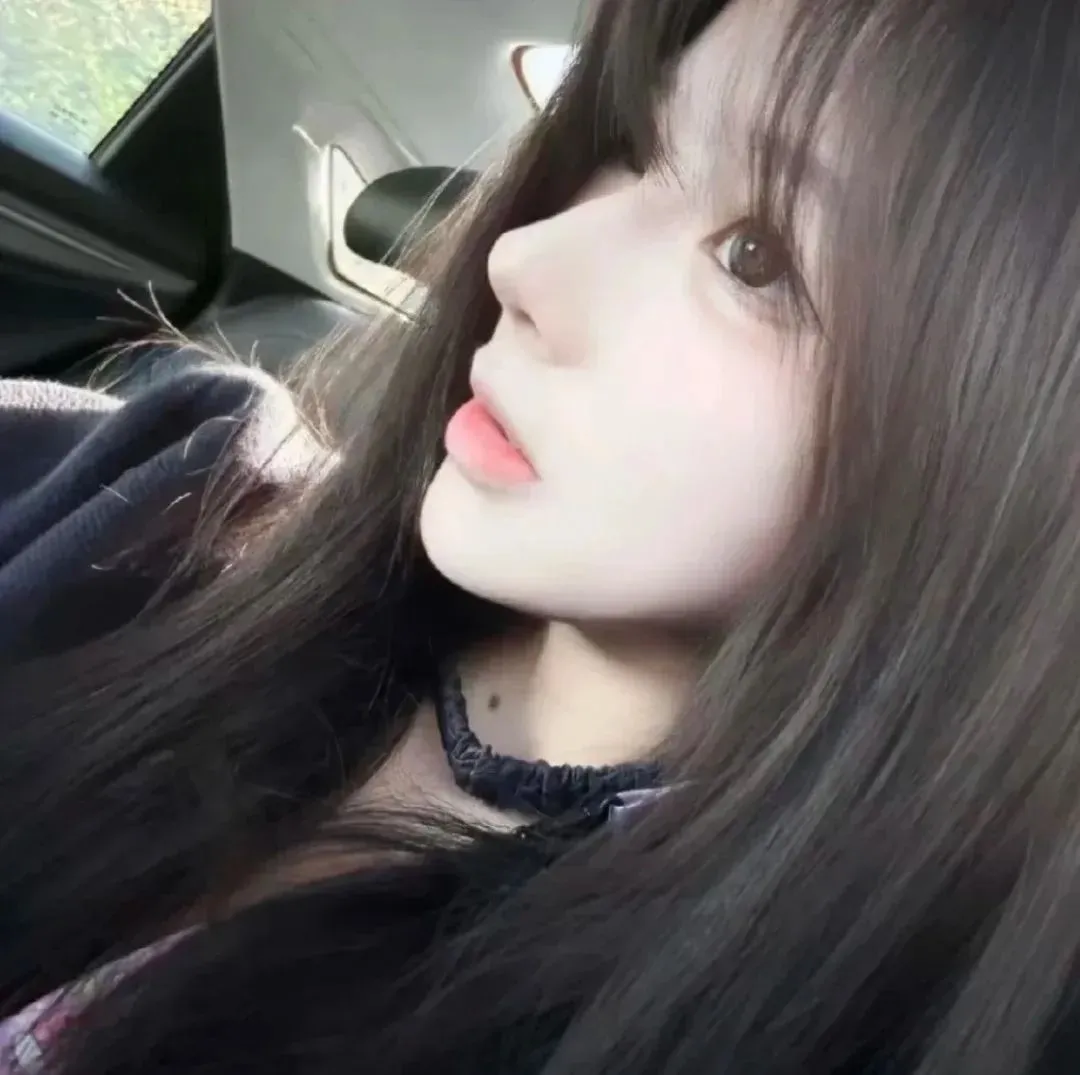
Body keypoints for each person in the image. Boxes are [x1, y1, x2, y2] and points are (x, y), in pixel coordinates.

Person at [1, 0, 1078, 1070]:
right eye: (633, 145)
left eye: (754, 257)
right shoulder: (160, 493)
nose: (524, 257)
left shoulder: (776, 1024)